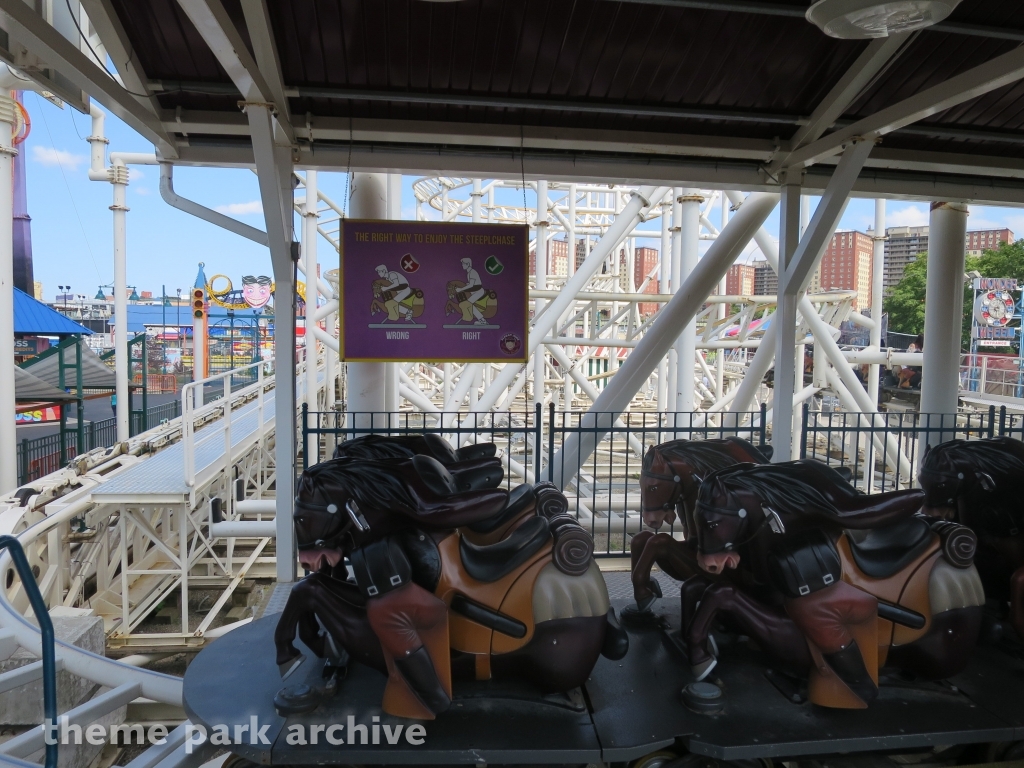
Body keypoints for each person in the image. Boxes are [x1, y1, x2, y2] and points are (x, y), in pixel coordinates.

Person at [459, 258, 487, 325]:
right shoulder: (469, 273)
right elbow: (472, 284)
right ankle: (481, 319)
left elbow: (471, 285)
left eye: (463, 264)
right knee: (469, 304)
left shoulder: (472, 272)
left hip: (478, 291)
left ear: (468, 264)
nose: (462, 265)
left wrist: (461, 289)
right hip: (475, 291)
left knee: (468, 303)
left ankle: (482, 320)